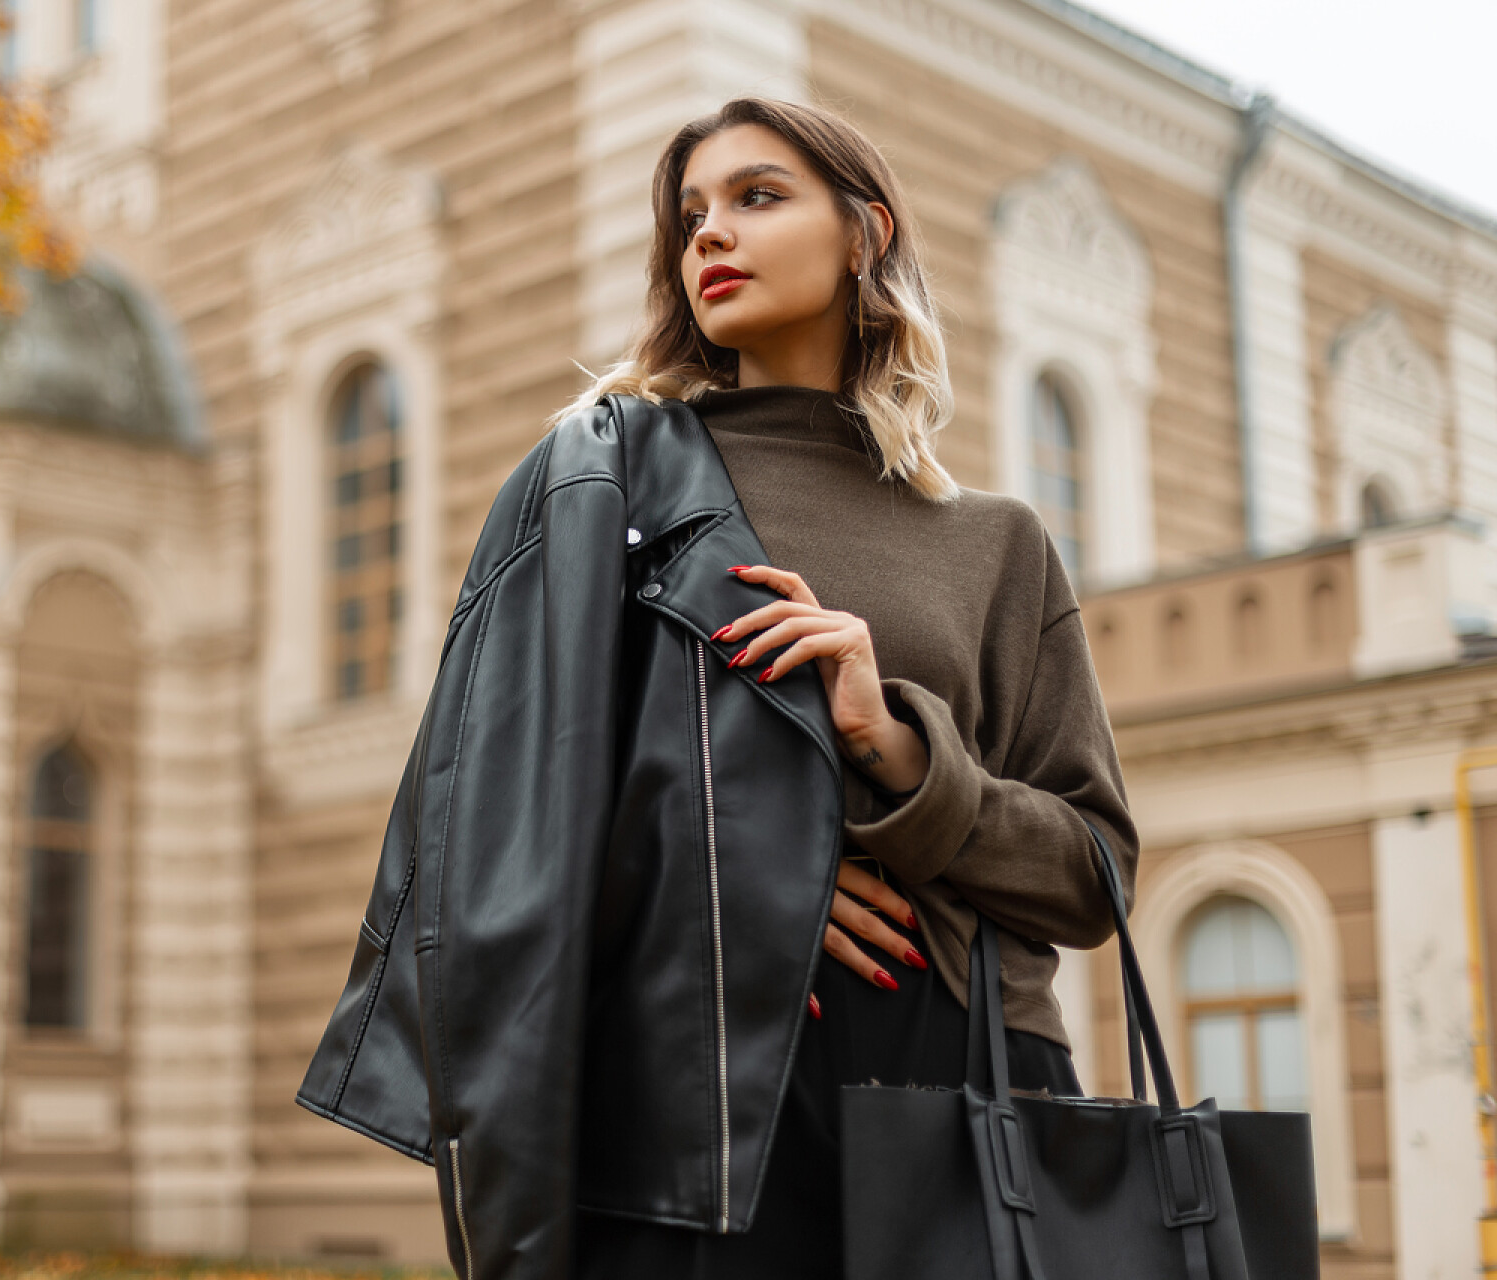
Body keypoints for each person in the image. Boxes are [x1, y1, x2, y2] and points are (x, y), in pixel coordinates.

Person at [298, 97, 1136, 1280]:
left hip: (968, 1086)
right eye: (690, 214)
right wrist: (742, 881)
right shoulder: (608, 491)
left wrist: (900, 749)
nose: (709, 236)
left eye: (757, 196)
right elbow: (485, 819)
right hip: (689, 1102)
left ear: (865, 235)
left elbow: (1096, 873)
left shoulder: (995, 543)